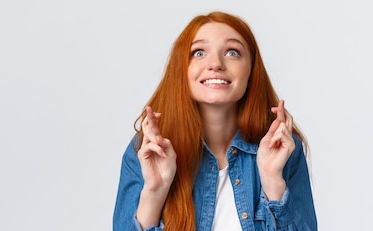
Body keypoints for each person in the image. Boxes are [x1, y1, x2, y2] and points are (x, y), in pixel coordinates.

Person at [112, 11, 317, 231]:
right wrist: (155, 190)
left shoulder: (283, 148)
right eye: (198, 52)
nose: (215, 64)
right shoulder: (146, 150)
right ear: (181, 70)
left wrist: (272, 181)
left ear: (251, 70)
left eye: (232, 52)